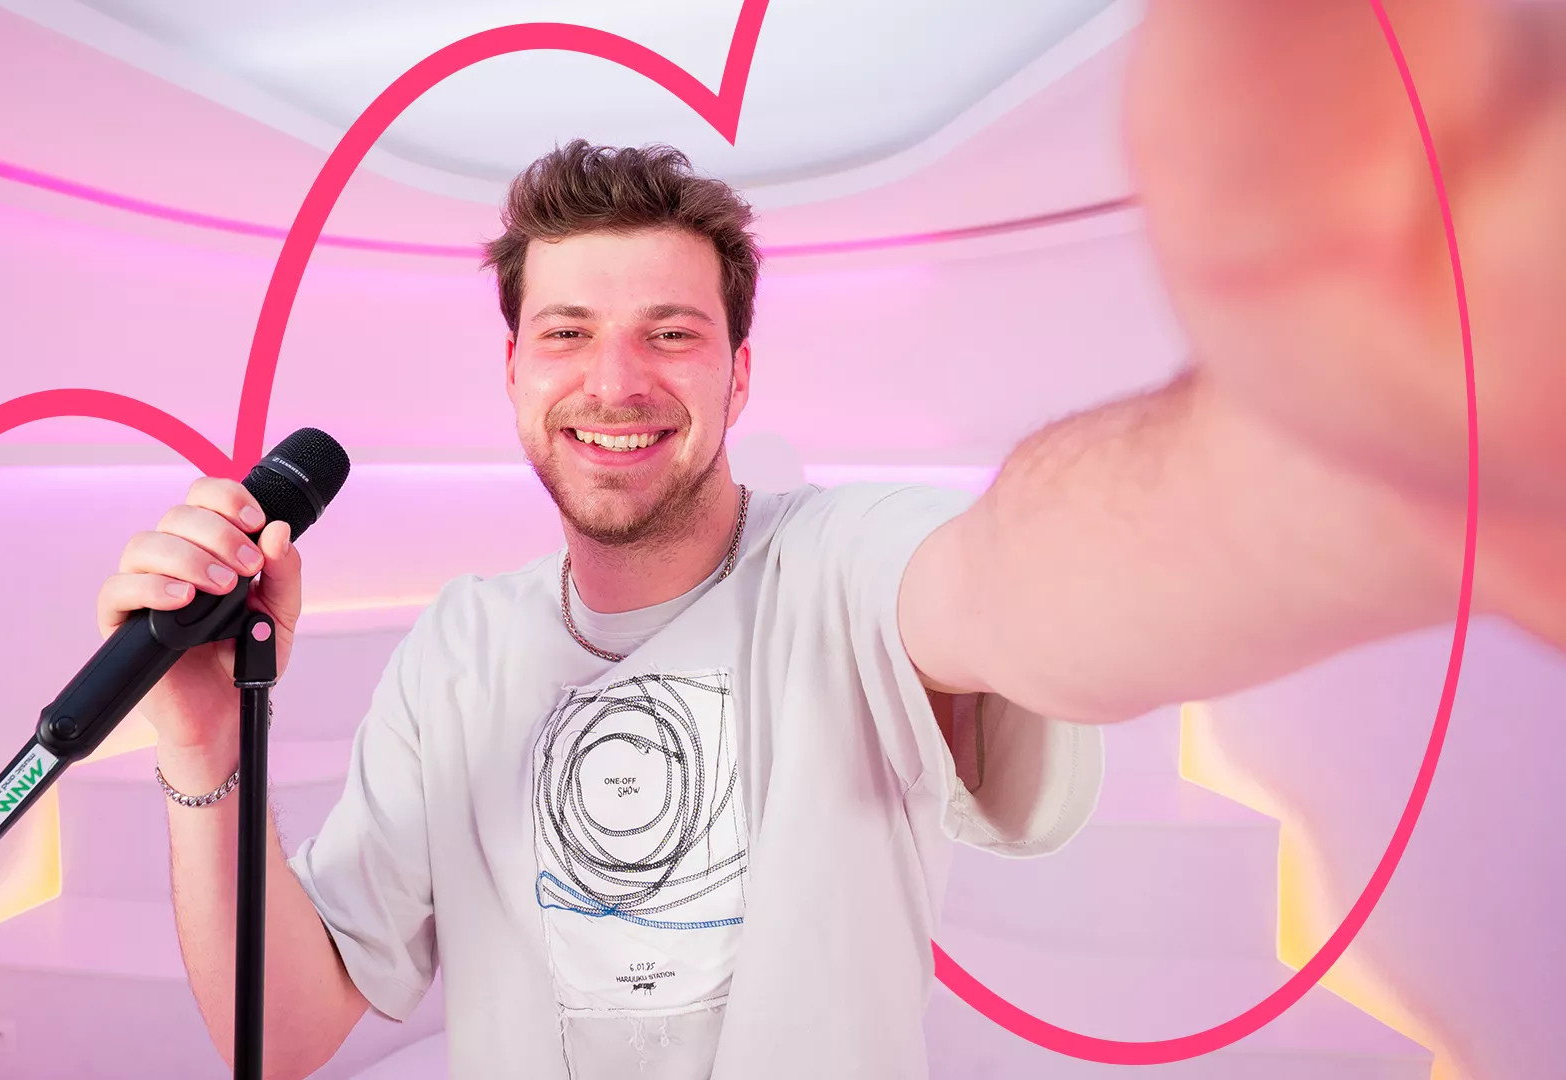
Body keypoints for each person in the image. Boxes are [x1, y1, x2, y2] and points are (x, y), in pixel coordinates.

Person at [96, 6, 1565, 1077]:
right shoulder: (460, 647)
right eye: (569, 333)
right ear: (515, 372)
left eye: (673, 333)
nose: (616, 382)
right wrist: (203, 742)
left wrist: (1328, 462)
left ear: (742, 373)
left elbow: (1020, 580)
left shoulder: (851, 567)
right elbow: (280, 1036)